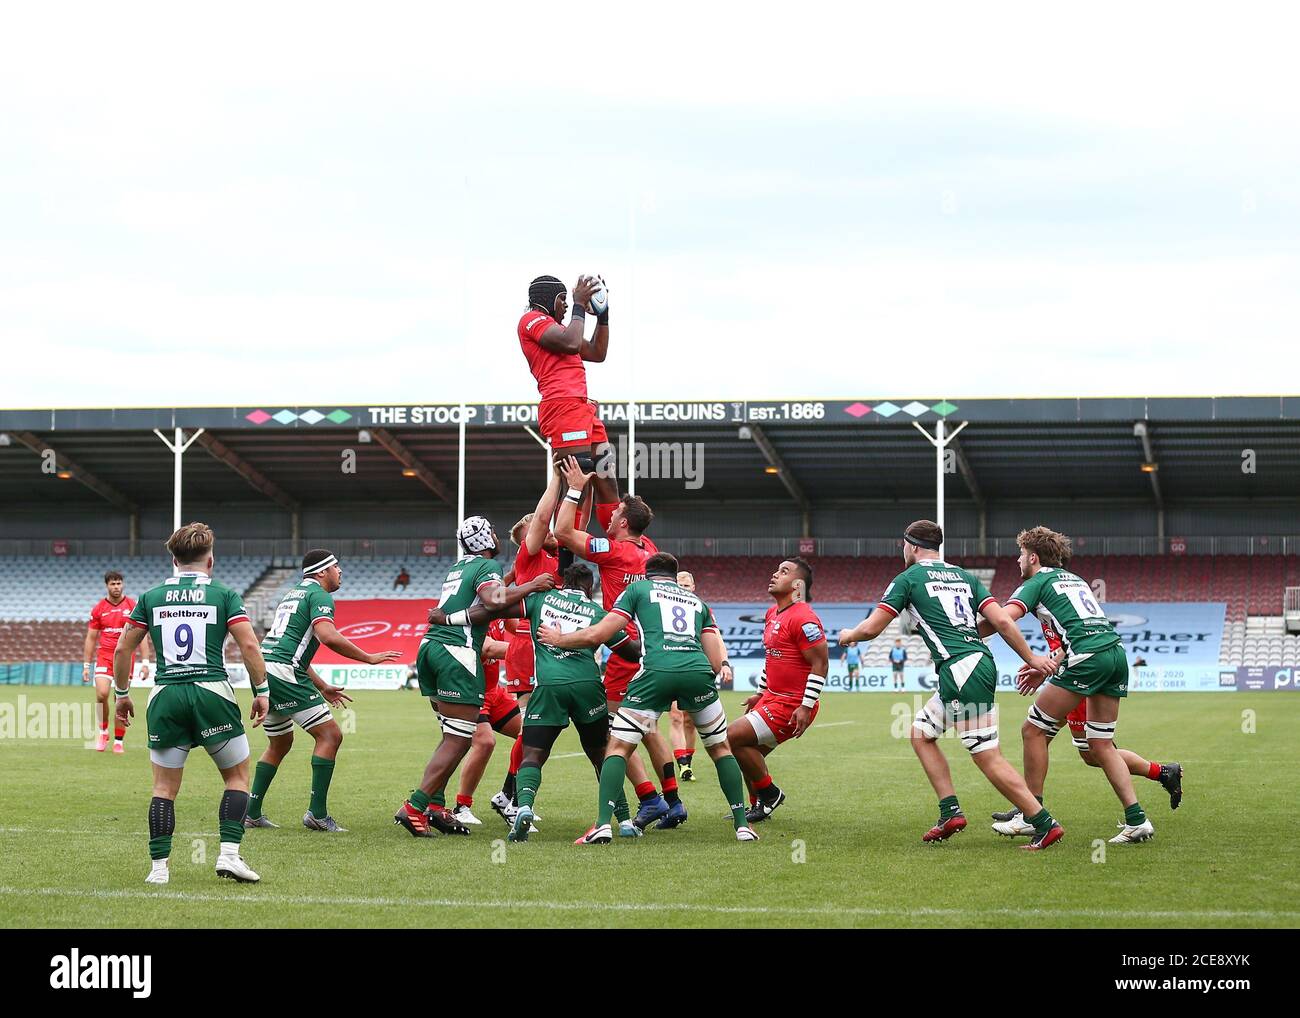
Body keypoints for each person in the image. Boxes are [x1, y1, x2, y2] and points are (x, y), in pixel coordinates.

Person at [838, 520, 1066, 850]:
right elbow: (1000, 620)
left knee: (987, 755)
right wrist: (1030, 656)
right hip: (975, 664)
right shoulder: (964, 576)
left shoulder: (908, 578)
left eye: (903, 544)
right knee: (921, 733)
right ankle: (950, 812)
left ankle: (1043, 822)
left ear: (913, 546)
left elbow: (872, 629)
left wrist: (849, 635)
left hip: (961, 670)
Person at [538, 553, 757, 845]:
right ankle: (742, 825)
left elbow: (598, 635)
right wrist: (721, 668)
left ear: (647, 573)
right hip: (696, 672)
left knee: (617, 746)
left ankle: (603, 825)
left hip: (655, 672)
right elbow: (716, 659)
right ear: (673, 574)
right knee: (720, 748)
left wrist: (559, 639)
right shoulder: (698, 603)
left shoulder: (638, 589)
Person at [980, 527, 1165, 844]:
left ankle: (1031, 813)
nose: (1018, 560)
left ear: (1033, 557)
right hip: (1115, 655)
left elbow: (1002, 620)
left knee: (1033, 730)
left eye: (1021, 554)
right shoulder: (1074, 580)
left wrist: (961, 633)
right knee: (1101, 745)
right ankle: (1137, 820)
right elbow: (1084, 628)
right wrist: (1050, 664)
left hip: (1088, 659)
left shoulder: (1036, 582)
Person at [112, 522, 268, 884]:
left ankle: (158, 870)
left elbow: (123, 648)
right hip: (211, 691)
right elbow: (248, 645)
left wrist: (121, 696)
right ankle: (229, 856)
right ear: (210, 561)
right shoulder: (224, 595)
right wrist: (262, 690)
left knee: (163, 789)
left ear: (173, 559)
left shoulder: (150, 597)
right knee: (237, 777)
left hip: (166, 694)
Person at [393, 515, 555, 838]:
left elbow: (490, 596)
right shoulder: (486, 568)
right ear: (483, 540)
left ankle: (436, 806)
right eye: (492, 532)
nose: (496, 536)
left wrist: (513, 580)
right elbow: (494, 600)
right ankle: (414, 807)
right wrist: (532, 585)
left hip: (430, 648)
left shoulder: (457, 568)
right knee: (459, 739)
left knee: (449, 736)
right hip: (456, 652)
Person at [553, 455, 684, 830]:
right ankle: (673, 801)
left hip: (627, 649)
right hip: (655, 648)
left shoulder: (614, 551)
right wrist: (597, 472)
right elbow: (613, 508)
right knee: (649, 726)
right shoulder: (648, 548)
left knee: (615, 732)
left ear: (623, 523)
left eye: (614, 516)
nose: (607, 519)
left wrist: (576, 488)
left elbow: (563, 533)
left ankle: (650, 799)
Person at [245, 549, 401, 833]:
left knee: (279, 744)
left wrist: (323, 685)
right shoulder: (319, 595)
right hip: (283, 671)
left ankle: (251, 812)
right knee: (330, 735)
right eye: (336, 567)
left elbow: (292, 650)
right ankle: (317, 814)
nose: (340, 571)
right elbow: (327, 636)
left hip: (266, 669)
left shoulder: (293, 594)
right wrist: (369, 657)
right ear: (321, 572)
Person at [990, 618, 1183, 834]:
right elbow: (1067, 643)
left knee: (1093, 752)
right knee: (1038, 736)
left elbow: (1004, 618)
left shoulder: (1050, 591)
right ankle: (1028, 807)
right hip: (1069, 673)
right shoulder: (1057, 599)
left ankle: (1162, 773)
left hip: (1077, 677)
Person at [508, 564, 643, 840]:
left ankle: (523, 808)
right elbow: (630, 653)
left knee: (532, 754)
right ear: (590, 588)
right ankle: (625, 821)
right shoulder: (598, 613)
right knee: (602, 754)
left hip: (549, 687)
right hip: (588, 687)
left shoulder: (540, 599)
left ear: (561, 582)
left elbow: (497, 606)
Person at [516, 273, 616, 572]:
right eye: (562, 302)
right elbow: (572, 343)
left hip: (581, 406)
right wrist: (579, 304)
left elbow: (597, 353)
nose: (565, 309)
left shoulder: (560, 326)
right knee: (578, 482)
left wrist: (604, 315)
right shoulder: (531, 321)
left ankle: (622, 543)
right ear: (549, 300)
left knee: (605, 474)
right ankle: (566, 567)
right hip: (561, 406)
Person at [728, 558, 826, 823]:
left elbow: (820, 663)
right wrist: (760, 692)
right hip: (771, 697)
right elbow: (772, 658)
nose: (774, 574)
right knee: (748, 751)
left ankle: (770, 795)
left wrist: (806, 705)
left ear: (797, 585)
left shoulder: (804, 617)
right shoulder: (772, 614)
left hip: (793, 703)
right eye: (776, 569)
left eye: (784, 571)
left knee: (734, 736)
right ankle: (758, 805)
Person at [493, 476, 563, 823]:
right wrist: (556, 480)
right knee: (532, 726)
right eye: (542, 528)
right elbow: (542, 518)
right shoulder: (530, 554)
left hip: (541, 646)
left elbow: (571, 520)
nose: (549, 531)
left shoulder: (552, 556)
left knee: (541, 727)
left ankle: (509, 793)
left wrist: (581, 484)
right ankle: (508, 795)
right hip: (531, 649)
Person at [451, 618, 529, 829]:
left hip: (494, 692)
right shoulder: (470, 612)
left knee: (533, 735)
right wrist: (536, 649)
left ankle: (507, 797)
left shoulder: (499, 608)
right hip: (470, 693)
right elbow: (489, 648)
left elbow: (521, 628)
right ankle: (461, 808)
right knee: (485, 742)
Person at [669, 570, 736, 780]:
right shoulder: (665, 607)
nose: (683, 589)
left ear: (694, 587)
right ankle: (681, 764)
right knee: (676, 716)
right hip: (671, 666)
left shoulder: (702, 608)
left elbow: (716, 638)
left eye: (687, 586)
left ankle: (687, 762)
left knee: (690, 720)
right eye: (679, 585)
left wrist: (724, 663)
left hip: (697, 668)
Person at [84, 569, 153, 753]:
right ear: (107, 586)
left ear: (123, 584)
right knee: (102, 694)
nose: (116, 587)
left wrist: (145, 663)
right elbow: (91, 638)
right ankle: (103, 731)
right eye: (112, 583)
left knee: (119, 698)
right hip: (104, 656)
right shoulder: (99, 608)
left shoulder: (132, 605)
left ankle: (119, 741)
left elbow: (142, 636)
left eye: (119, 583)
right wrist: (86, 665)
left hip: (124, 658)